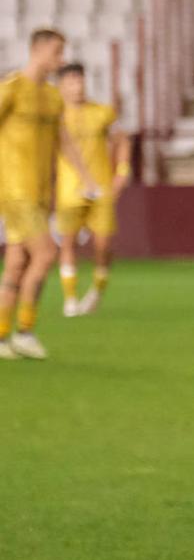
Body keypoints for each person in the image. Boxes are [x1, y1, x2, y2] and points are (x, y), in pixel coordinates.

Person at [0, 29, 96, 360]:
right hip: (14, 190)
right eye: (57, 51)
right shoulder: (11, 88)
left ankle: (2, 338)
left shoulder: (53, 97)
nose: (62, 59)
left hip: (41, 193)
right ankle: (25, 331)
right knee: (45, 254)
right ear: (37, 50)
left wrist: (85, 176)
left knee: (16, 263)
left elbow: (64, 141)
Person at [56, 63, 131, 316]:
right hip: (69, 188)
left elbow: (122, 141)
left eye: (80, 80)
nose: (78, 86)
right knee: (68, 242)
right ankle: (70, 299)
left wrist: (122, 171)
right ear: (62, 86)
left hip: (101, 187)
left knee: (103, 245)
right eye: (72, 82)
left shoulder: (103, 112)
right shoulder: (56, 116)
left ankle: (96, 293)